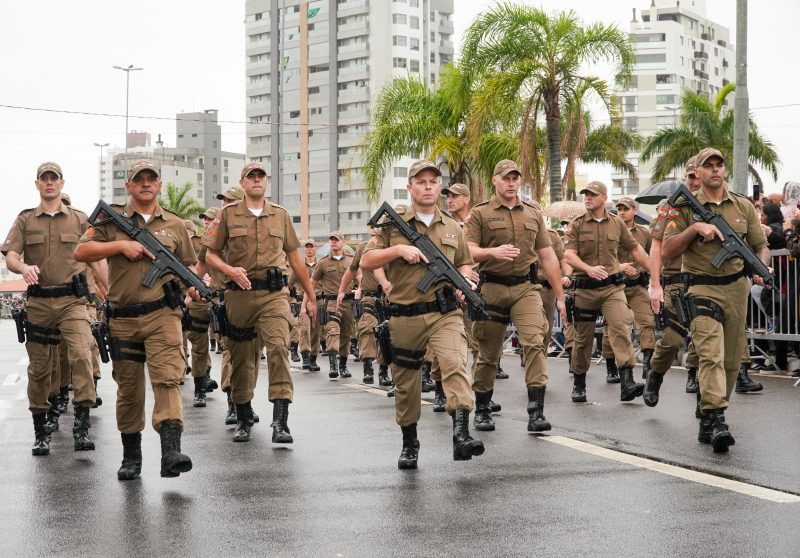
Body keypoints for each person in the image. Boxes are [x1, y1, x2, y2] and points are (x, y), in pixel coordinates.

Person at [75, 159, 195, 479]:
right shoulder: (111, 220)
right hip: (123, 318)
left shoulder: (175, 224)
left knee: (168, 379)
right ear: (128, 185)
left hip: (162, 315)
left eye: (151, 179)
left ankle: (171, 452)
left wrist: (194, 287)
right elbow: (81, 252)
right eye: (138, 179)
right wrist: (120, 245)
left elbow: (188, 266)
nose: (145, 183)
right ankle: (131, 457)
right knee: (129, 389)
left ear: (159, 185)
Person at [361, 159, 484, 469]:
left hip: (445, 313)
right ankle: (410, 443)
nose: (428, 187)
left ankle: (461, 435)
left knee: (455, 364)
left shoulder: (453, 226)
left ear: (439, 187)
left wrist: (465, 281)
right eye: (421, 182)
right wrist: (398, 250)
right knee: (406, 385)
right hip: (404, 315)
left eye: (433, 182)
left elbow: (465, 262)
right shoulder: (392, 225)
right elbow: (367, 261)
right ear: (410, 187)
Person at [662, 148, 769, 452]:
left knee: (732, 361)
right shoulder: (683, 206)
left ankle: (707, 413)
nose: (715, 169)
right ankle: (718, 418)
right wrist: (695, 229)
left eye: (719, 164)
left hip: (736, 289)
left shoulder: (742, 205)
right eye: (708, 165)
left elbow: (760, 245)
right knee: (710, 355)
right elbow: (668, 251)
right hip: (700, 288)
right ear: (697, 172)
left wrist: (761, 268)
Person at [203, 162, 317, 444]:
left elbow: (295, 259)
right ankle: (243, 417)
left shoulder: (280, 215)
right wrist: (229, 271)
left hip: (273, 295)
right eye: (251, 177)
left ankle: (280, 422)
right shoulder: (227, 215)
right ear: (242, 183)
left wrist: (311, 297)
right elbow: (210, 254)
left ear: (266, 182)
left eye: (260, 176)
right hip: (238, 296)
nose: (256, 180)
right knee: (241, 358)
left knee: (278, 348)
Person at [2, 162, 106, 456]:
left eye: (54, 178)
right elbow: (11, 256)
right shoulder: (25, 220)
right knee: (39, 368)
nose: (49, 183)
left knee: (82, 355)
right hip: (39, 303)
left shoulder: (80, 219)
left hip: (72, 302)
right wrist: (23, 267)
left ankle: (81, 426)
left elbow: (97, 258)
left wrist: (111, 292)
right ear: (37, 184)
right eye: (44, 179)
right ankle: (41, 430)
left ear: (62, 183)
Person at [466, 160, 566, 432]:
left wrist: (559, 295)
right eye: (506, 178)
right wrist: (492, 252)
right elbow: (467, 250)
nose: (511, 183)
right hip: (492, 287)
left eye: (515, 178)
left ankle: (536, 413)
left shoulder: (533, 213)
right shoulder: (480, 213)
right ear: (495, 181)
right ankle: (482, 409)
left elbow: (547, 255)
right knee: (488, 352)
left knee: (535, 342)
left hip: (525, 287)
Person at [563, 181, 650, 403]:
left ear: (604, 197)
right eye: (586, 194)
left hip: (612, 288)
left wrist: (655, 272)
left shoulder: (617, 224)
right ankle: (579, 383)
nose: (588, 198)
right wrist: (588, 269)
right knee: (583, 340)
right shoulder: (577, 224)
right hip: (585, 289)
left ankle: (627, 381)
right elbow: (569, 255)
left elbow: (635, 249)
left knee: (620, 327)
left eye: (593, 194)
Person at [645, 158, 702, 406]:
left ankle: (706, 403)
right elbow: (656, 247)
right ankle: (656, 373)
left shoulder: (720, 205)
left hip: (707, 282)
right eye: (691, 177)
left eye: (698, 176)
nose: (695, 181)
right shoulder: (671, 207)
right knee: (674, 338)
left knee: (707, 340)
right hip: (677, 282)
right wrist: (655, 284)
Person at [601, 197, 655, 381]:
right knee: (613, 327)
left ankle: (647, 364)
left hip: (637, 286)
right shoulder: (610, 231)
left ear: (634, 211)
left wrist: (656, 277)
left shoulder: (644, 233)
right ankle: (611, 366)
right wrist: (619, 266)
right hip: (616, 287)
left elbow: (651, 256)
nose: (622, 212)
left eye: (626, 209)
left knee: (647, 322)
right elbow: (603, 258)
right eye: (619, 209)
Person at [336, 236, 391, 384]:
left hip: (389, 297)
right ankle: (368, 368)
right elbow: (352, 270)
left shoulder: (396, 245)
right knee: (367, 329)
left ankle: (383, 370)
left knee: (387, 334)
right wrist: (341, 291)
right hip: (369, 297)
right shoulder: (364, 247)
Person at [309, 232, 355, 379]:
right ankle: (333, 364)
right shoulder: (323, 263)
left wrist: (360, 288)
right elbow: (311, 284)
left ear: (343, 242)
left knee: (346, 335)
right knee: (332, 331)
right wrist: (309, 303)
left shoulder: (351, 261)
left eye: (336, 240)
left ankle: (343, 365)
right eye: (331, 240)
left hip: (348, 302)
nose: (333, 242)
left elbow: (359, 277)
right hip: (331, 303)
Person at [288, 239, 322, 371]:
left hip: (318, 301)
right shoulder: (299, 266)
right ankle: (305, 356)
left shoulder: (321, 264)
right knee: (304, 329)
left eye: (311, 247)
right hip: (301, 301)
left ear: (315, 249)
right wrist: (292, 300)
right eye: (307, 247)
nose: (309, 249)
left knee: (316, 332)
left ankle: (313, 359)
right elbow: (290, 284)